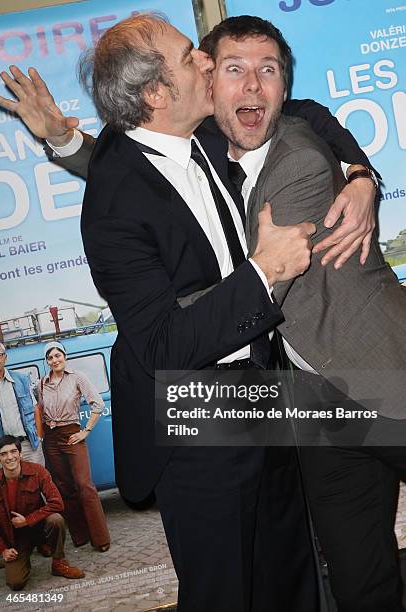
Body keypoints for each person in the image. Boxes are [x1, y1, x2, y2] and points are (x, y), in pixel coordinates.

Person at [0, 14, 376, 612]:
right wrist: (265, 270)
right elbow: (162, 345)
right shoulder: (111, 207)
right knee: (227, 587)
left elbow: (308, 114)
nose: (206, 61)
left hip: (265, 389)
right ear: (155, 93)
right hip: (196, 412)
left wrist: (360, 175)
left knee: (292, 573)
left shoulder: (191, 133)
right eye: (190, 58)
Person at [197, 16, 406, 612]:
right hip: (317, 409)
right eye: (235, 69)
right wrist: (68, 142)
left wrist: (361, 174)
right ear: (208, 82)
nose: (254, 86)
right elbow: (142, 163)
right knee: (358, 578)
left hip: (382, 371)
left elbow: (265, 286)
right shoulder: (203, 154)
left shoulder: (302, 159)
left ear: (285, 86)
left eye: (270, 70)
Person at [35, 341, 110, 552]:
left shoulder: (77, 377)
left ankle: (101, 538)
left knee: (84, 484)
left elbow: (98, 403)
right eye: (50, 358)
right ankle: (80, 535)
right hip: (51, 438)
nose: (54, 360)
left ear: (64, 356)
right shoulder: (41, 384)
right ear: (47, 361)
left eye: (57, 355)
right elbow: (37, 409)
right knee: (63, 486)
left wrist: (85, 431)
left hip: (72, 433)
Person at [0, 435, 84, 590]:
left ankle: (58, 562)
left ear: (20, 453)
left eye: (13, 452)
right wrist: (3, 549)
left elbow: (57, 503)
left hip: (39, 528)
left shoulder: (37, 471)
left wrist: (28, 520)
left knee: (56, 519)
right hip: (16, 539)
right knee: (16, 583)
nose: (10, 457)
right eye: (4, 454)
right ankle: (14, 559)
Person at [0, 341, 44, 465]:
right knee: (9, 484)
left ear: (5, 357)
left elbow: (35, 409)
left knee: (36, 480)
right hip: (3, 448)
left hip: (28, 444)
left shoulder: (21, 379)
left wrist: (39, 437)